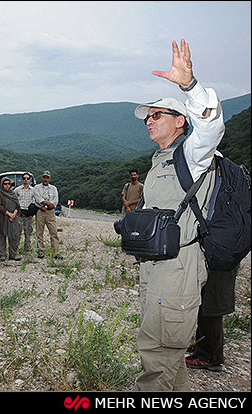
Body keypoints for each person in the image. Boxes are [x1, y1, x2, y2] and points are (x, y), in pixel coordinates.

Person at [132, 39, 224, 391]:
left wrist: (189, 85)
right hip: (157, 264)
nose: (149, 122)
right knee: (167, 355)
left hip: (179, 264)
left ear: (180, 120)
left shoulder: (192, 153)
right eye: (147, 118)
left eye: (157, 115)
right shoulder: (161, 160)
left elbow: (211, 127)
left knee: (158, 354)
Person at [185, 267, 238, 372]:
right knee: (206, 301)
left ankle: (209, 356)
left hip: (219, 262)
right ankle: (204, 345)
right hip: (217, 260)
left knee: (211, 305)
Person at [33, 170, 60, 259]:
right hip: (40, 211)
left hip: (50, 212)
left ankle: (55, 252)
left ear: (50, 179)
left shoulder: (54, 188)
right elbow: (37, 199)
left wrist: (47, 205)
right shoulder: (36, 188)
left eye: (47, 177)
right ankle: (41, 251)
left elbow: (55, 201)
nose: (45, 179)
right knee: (39, 232)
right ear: (42, 178)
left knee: (53, 232)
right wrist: (45, 204)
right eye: (44, 177)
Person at [0, 178, 22, 261]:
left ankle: (13, 254)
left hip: (13, 218)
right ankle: (2, 255)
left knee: (14, 236)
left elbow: (17, 205)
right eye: (5, 184)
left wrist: (14, 214)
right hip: (2, 218)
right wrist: (8, 213)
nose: (7, 185)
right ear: (2, 184)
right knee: (2, 236)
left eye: (9, 184)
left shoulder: (13, 193)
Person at [14, 172, 35, 253]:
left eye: (27, 178)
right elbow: (14, 201)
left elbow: (35, 201)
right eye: (24, 178)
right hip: (19, 214)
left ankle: (27, 251)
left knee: (28, 233)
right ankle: (15, 250)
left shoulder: (33, 190)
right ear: (22, 180)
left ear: (30, 180)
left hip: (29, 215)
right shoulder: (17, 190)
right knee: (17, 233)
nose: (26, 180)